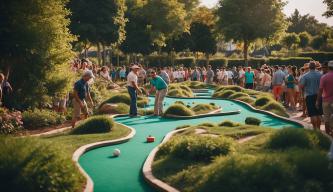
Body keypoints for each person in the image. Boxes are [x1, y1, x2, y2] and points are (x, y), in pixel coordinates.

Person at [300, 62, 323, 130]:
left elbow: (301, 86)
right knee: (319, 114)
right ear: (315, 67)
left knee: (312, 114)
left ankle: (315, 129)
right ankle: (318, 129)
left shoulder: (305, 76)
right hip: (319, 96)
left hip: (309, 96)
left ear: (309, 67)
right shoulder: (320, 75)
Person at [317, 61, 333, 136]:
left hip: (326, 100)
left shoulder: (324, 77)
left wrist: (317, 101)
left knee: (326, 119)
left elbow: (320, 90)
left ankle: (328, 136)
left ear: (328, 67)